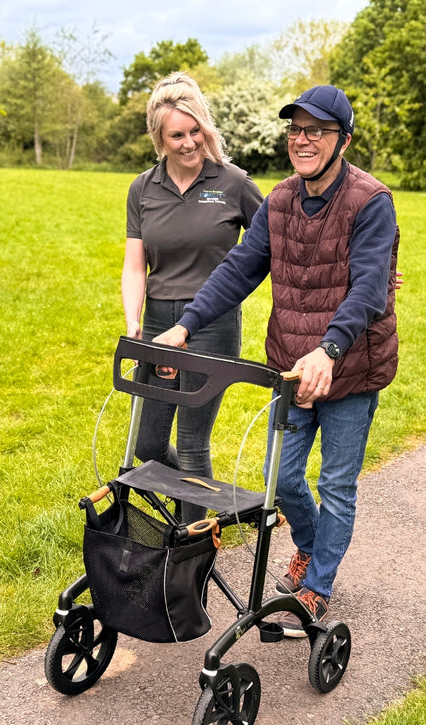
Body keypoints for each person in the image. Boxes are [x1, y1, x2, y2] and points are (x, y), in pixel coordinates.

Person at [154, 84, 400, 637]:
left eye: (317, 131)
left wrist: (330, 349)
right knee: (280, 477)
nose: (303, 140)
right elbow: (241, 268)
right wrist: (185, 325)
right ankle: (312, 550)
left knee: (336, 483)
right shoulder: (281, 201)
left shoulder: (370, 201)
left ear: (344, 139)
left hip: (349, 365)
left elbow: (368, 289)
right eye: (296, 130)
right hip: (292, 365)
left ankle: (317, 585)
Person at [122, 72, 264, 524]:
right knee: (147, 445)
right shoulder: (143, 189)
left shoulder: (234, 183)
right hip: (161, 324)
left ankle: (192, 552)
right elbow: (133, 265)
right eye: (176, 135)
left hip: (212, 325)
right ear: (159, 138)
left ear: (206, 127)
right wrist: (134, 322)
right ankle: (201, 507)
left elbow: (280, 242)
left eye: (195, 130)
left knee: (191, 445)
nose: (188, 142)